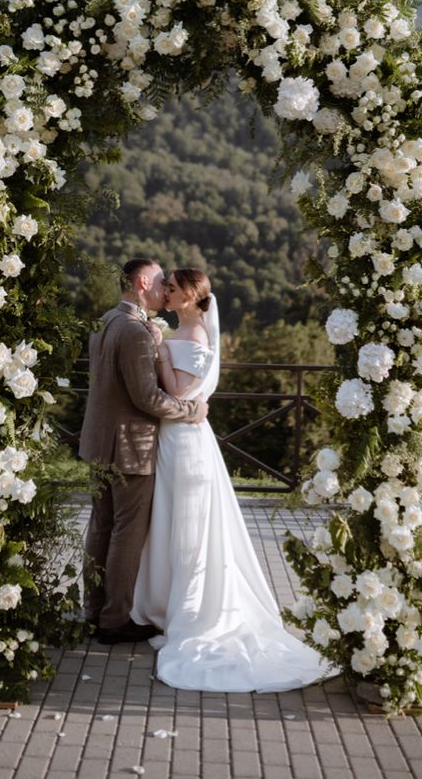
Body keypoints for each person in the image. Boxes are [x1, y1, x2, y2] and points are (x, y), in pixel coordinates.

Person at [132, 267, 336, 692]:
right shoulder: (180, 332)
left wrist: (162, 355)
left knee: (188, 526)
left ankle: (191, 612)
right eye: (165, 287)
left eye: (171, 289)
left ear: (189, 296)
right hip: (175, 438)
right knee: (170, 521)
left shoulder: (193, 339)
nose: (165, 293)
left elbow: (181, 394)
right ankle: (167, 604)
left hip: (186, 441)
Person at [79, 257, 209, 645]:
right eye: (157, 283)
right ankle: (114, 619)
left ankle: (93, 610)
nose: (161, 291)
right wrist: (190, 410)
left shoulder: (105, 320)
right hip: (129, 447)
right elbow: (147, 397)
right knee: (126, 533)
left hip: (99, 443)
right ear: (140, 282)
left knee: (100, 527)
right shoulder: (136, 331)